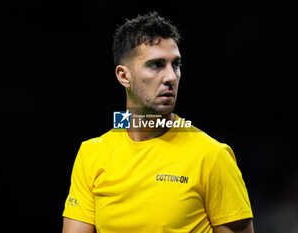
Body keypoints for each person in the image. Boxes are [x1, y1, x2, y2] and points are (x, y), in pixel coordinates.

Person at [62, 11, 254, 233]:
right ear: (124, 76)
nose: (171, 77)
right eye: (156, 65)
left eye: (176, 65)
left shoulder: (213, 157)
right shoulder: (91, 154)